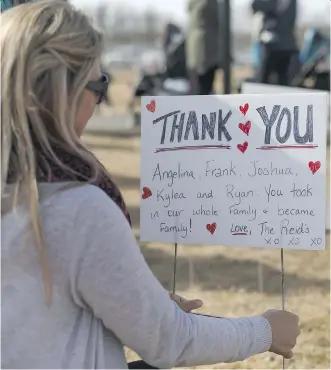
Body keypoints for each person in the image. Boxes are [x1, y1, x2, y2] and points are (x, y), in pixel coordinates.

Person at [1, 1, 300, 369]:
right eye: (99, 83)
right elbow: (169, 339)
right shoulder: (77, 208)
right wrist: (267, 330)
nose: (98, 98)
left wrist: (141, 301)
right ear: (67, 89)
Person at [252, 0, 297, 86]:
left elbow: (257, 5)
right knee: (279, 81)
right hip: (283, 45)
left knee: (265, 80)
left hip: (275, 45)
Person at [186, 0, 222, 95]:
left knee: (199, 85)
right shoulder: (207, 4)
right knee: (203, 87)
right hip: (205, 47)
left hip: (198, 47)